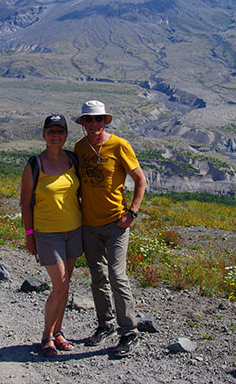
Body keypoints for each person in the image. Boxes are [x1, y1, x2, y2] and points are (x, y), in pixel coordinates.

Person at [74, 100, 147, 358]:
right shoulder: (80, 147)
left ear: (105, 121)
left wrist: (133, 213)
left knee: (117, 276)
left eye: (98, 119)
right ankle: (105, 325)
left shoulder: (119, 145)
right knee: (98, 276)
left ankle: (129, 331)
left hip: (116, 223)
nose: (93, 124)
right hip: (89, 224)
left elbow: (140, 179)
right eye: (88, 120)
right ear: (83, 123)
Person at [19, 114, 83, 357]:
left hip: (74, 230)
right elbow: (26, 204)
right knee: (60, 285)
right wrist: (29, 235)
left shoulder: (73, 160)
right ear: (44, 135)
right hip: (48, 234)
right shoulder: (34, 165)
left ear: (66, 135)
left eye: (60, 131)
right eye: (51, 131)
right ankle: (46, 336)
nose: (56, 136)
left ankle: (58, 332)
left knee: (65, 287)